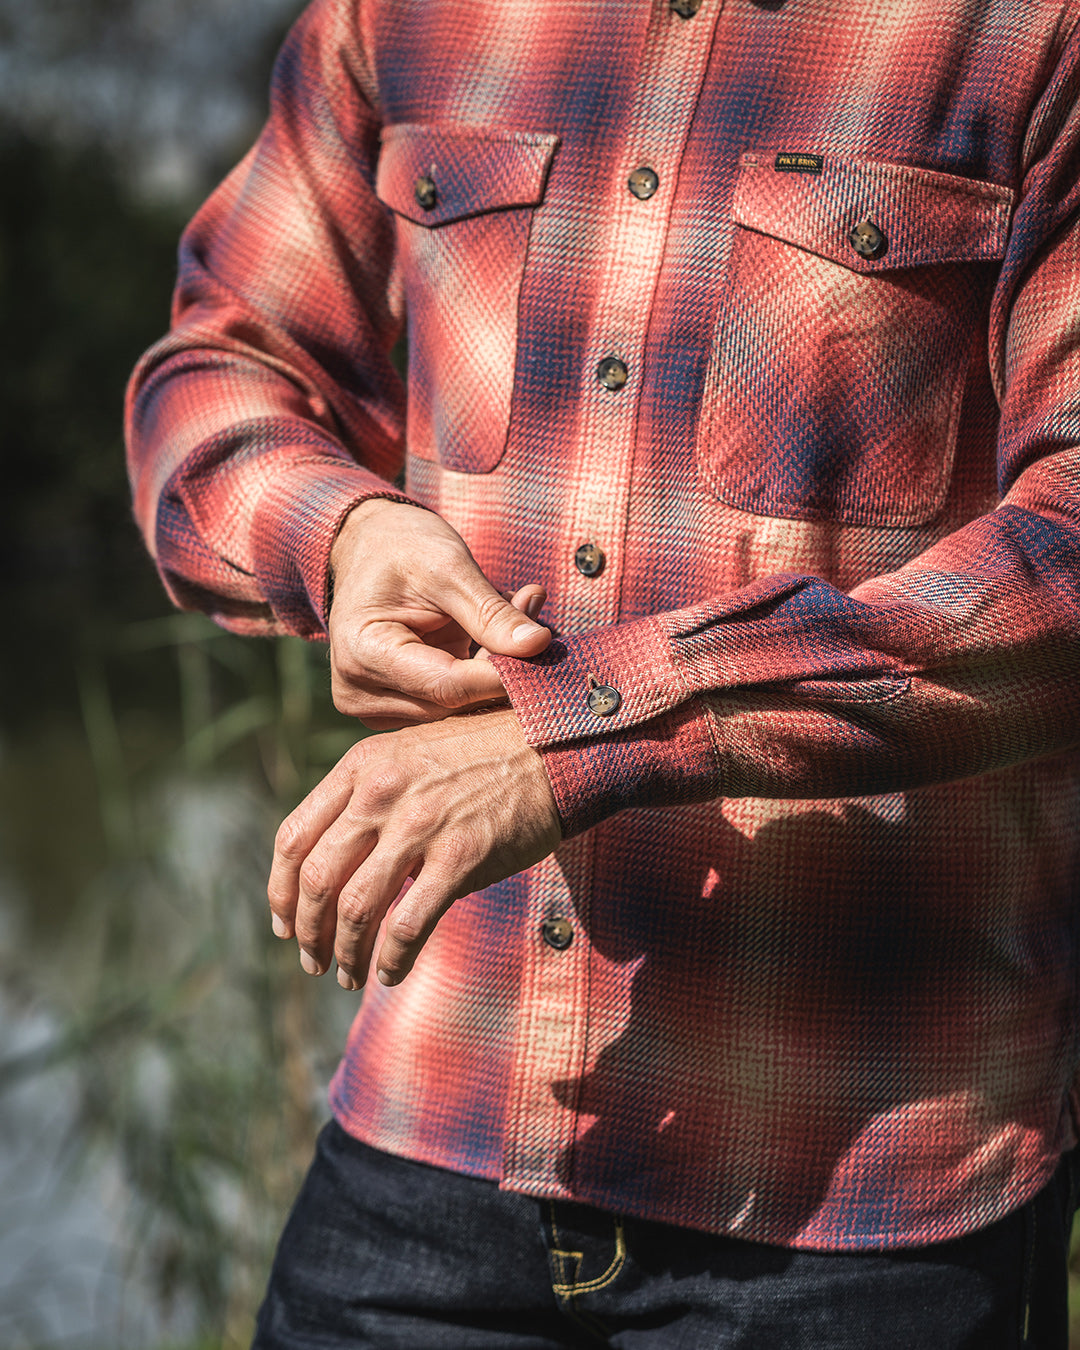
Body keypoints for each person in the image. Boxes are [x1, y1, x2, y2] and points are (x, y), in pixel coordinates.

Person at [126, 0, 1080, 1344]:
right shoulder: (389, 17)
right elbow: (220, 362)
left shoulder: (1029, 32)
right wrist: (341, 534)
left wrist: (581, 732)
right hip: (428, 1139)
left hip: (862, 1199)